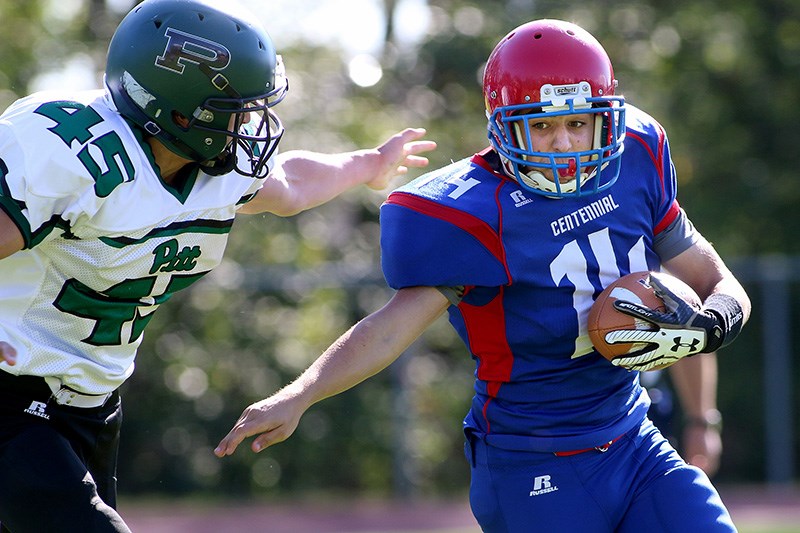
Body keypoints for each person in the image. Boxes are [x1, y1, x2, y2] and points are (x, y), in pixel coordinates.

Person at [215, 19, 751, 532]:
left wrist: (717, 321)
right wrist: (300, 395)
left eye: (576, 122)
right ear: (503, 125)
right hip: (532, 459)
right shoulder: (470, 210)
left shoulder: (637, 154)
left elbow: (713, 278)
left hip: (633, 440)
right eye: (540, 125)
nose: (563, 143)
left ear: (603, 118)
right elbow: (389, 328)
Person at [0, 0, 435, 531]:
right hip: (15, 393)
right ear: (181, 112)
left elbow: (293, 184)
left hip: (90, 403)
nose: (252, 124)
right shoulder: (79, 152)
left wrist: (367, 163)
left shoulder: (210, 167)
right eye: (237, 109)